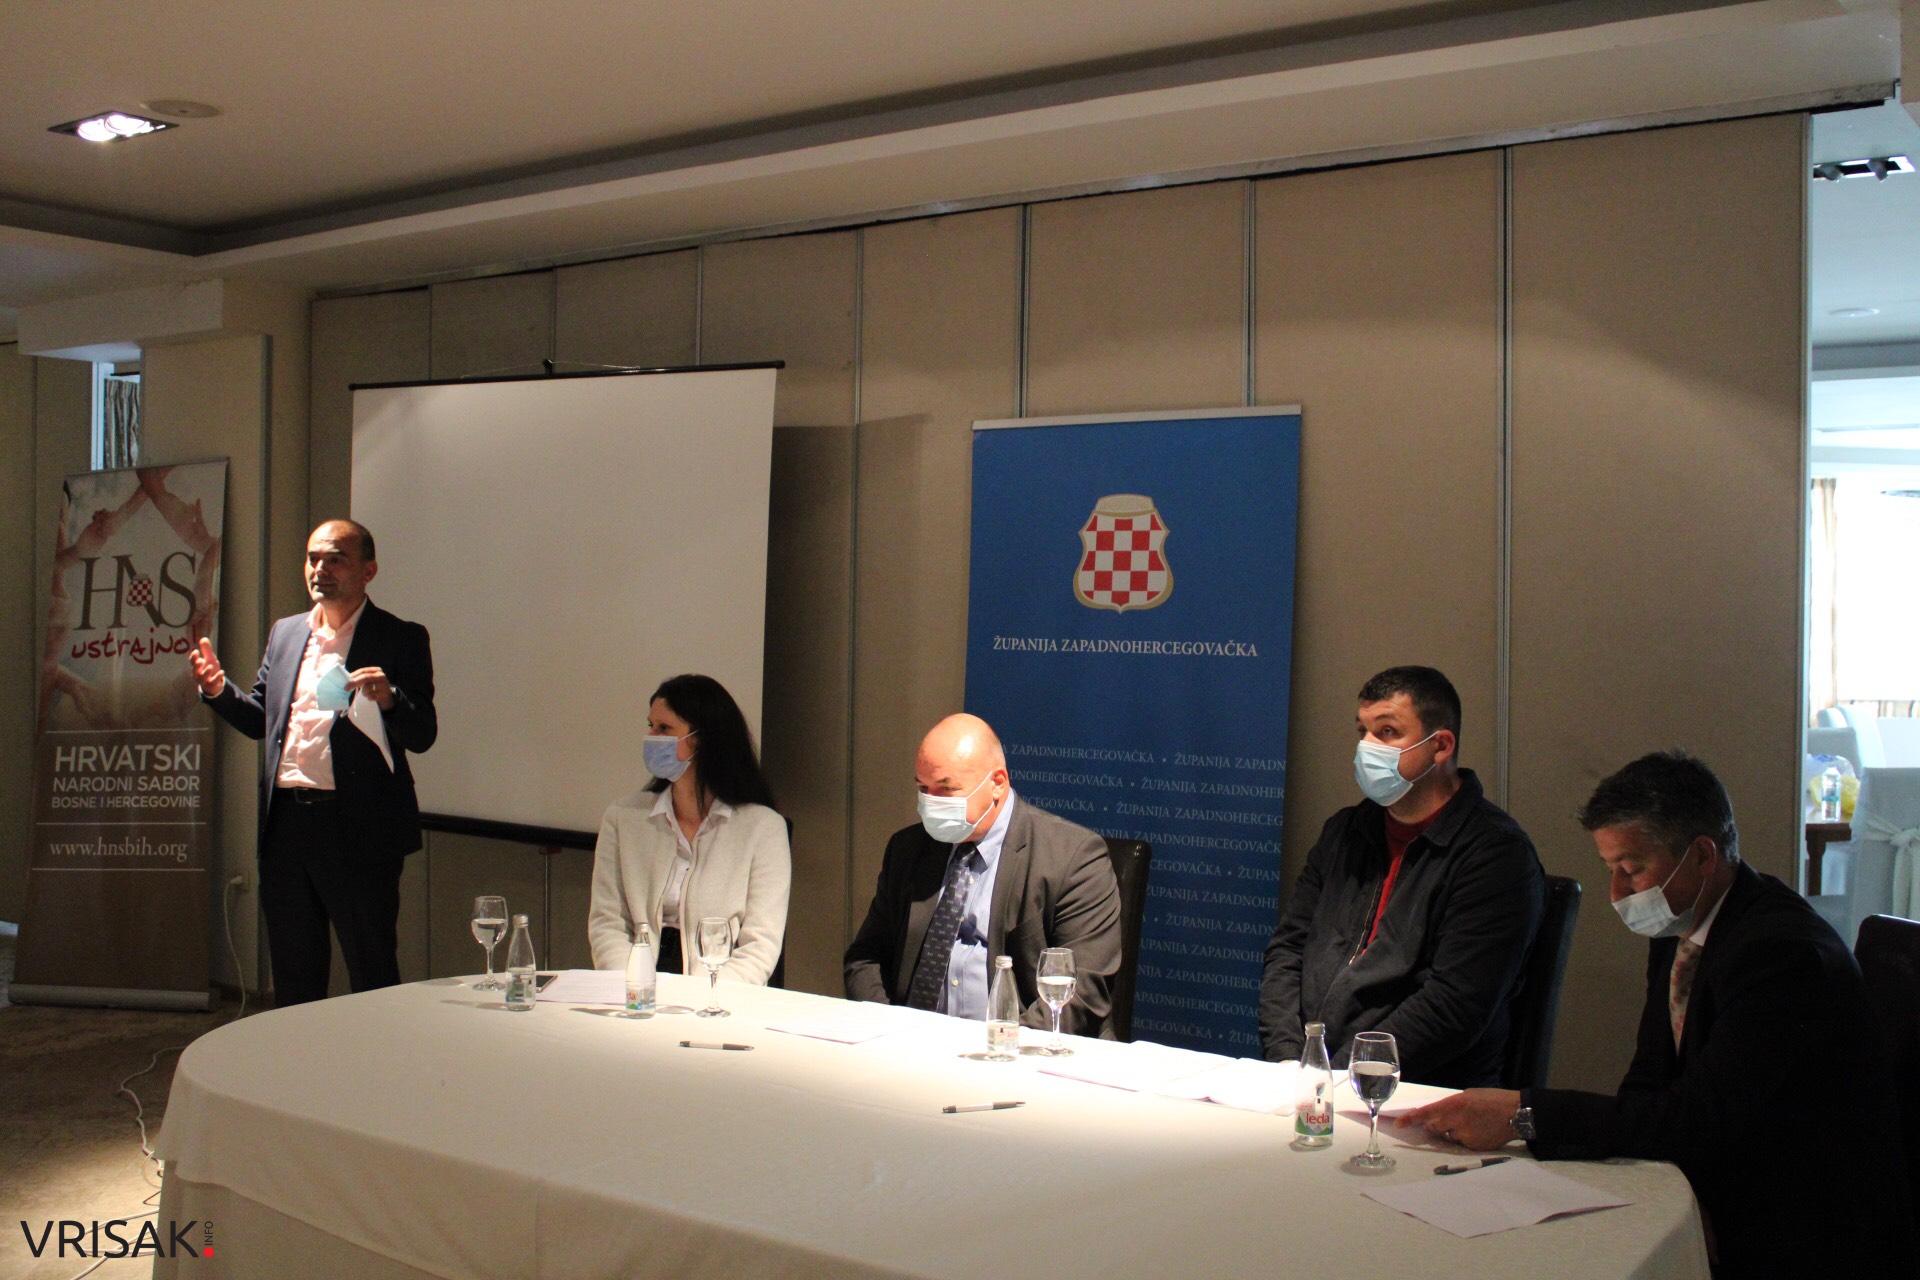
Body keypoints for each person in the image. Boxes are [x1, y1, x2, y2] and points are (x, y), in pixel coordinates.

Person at [1404, 751, 1916, 1279]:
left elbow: (1705, 1118)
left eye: (1632, 870)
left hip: (1807, 1223)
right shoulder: (1682, 923)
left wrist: (1523, 1112)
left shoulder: (1780, 954)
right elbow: (1651, 1079)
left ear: (1702, 855)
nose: (1617, 893)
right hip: (1731, 1173)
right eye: (1610, 870)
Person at [1259, 666, 1544, 1087]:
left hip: (1420, 1090)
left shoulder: (1496, 854)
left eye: (1388, 732)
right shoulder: (1345, 832)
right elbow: (1288, 950)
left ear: (1440, 746)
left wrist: (1341, 1077)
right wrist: (1289, 1061)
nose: (1367, 747)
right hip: (1308, 1078)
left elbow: (1454, 1004)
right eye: (1363, 731)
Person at [192, 519, 436, 1006]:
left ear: (368, 571)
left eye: (335, 559)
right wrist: (219, 691)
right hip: (286, 826)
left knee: (371, 968)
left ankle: (378, 1054)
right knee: (294, 972)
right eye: (312, 559)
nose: (319, 569)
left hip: (358, 828)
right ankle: (297, 1056)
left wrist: (390, 698)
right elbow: (263, 720)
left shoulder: (399, 637)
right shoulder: (286, 633)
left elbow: (422, 734)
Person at [845, 713, 1124, 1037]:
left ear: (997, 783)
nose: (931, 803)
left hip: (1019, 1053)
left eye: (946, 789)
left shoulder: (1073, 858)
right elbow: (866, 959)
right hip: (909, 1047)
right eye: (923, 788)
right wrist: (888, 1031)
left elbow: (1081, 994)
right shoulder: (908, 849)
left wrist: (994, 1047)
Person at [587, 674, 790, 982]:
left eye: (664, 729)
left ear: (702, 738)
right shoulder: (623, 817)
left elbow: (759, 946)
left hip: (718, 991)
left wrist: (705, 996)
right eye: (650, 725)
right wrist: (632, 986)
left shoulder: (763, 828)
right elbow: (608, 924)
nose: (651, 737)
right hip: (635, 987)